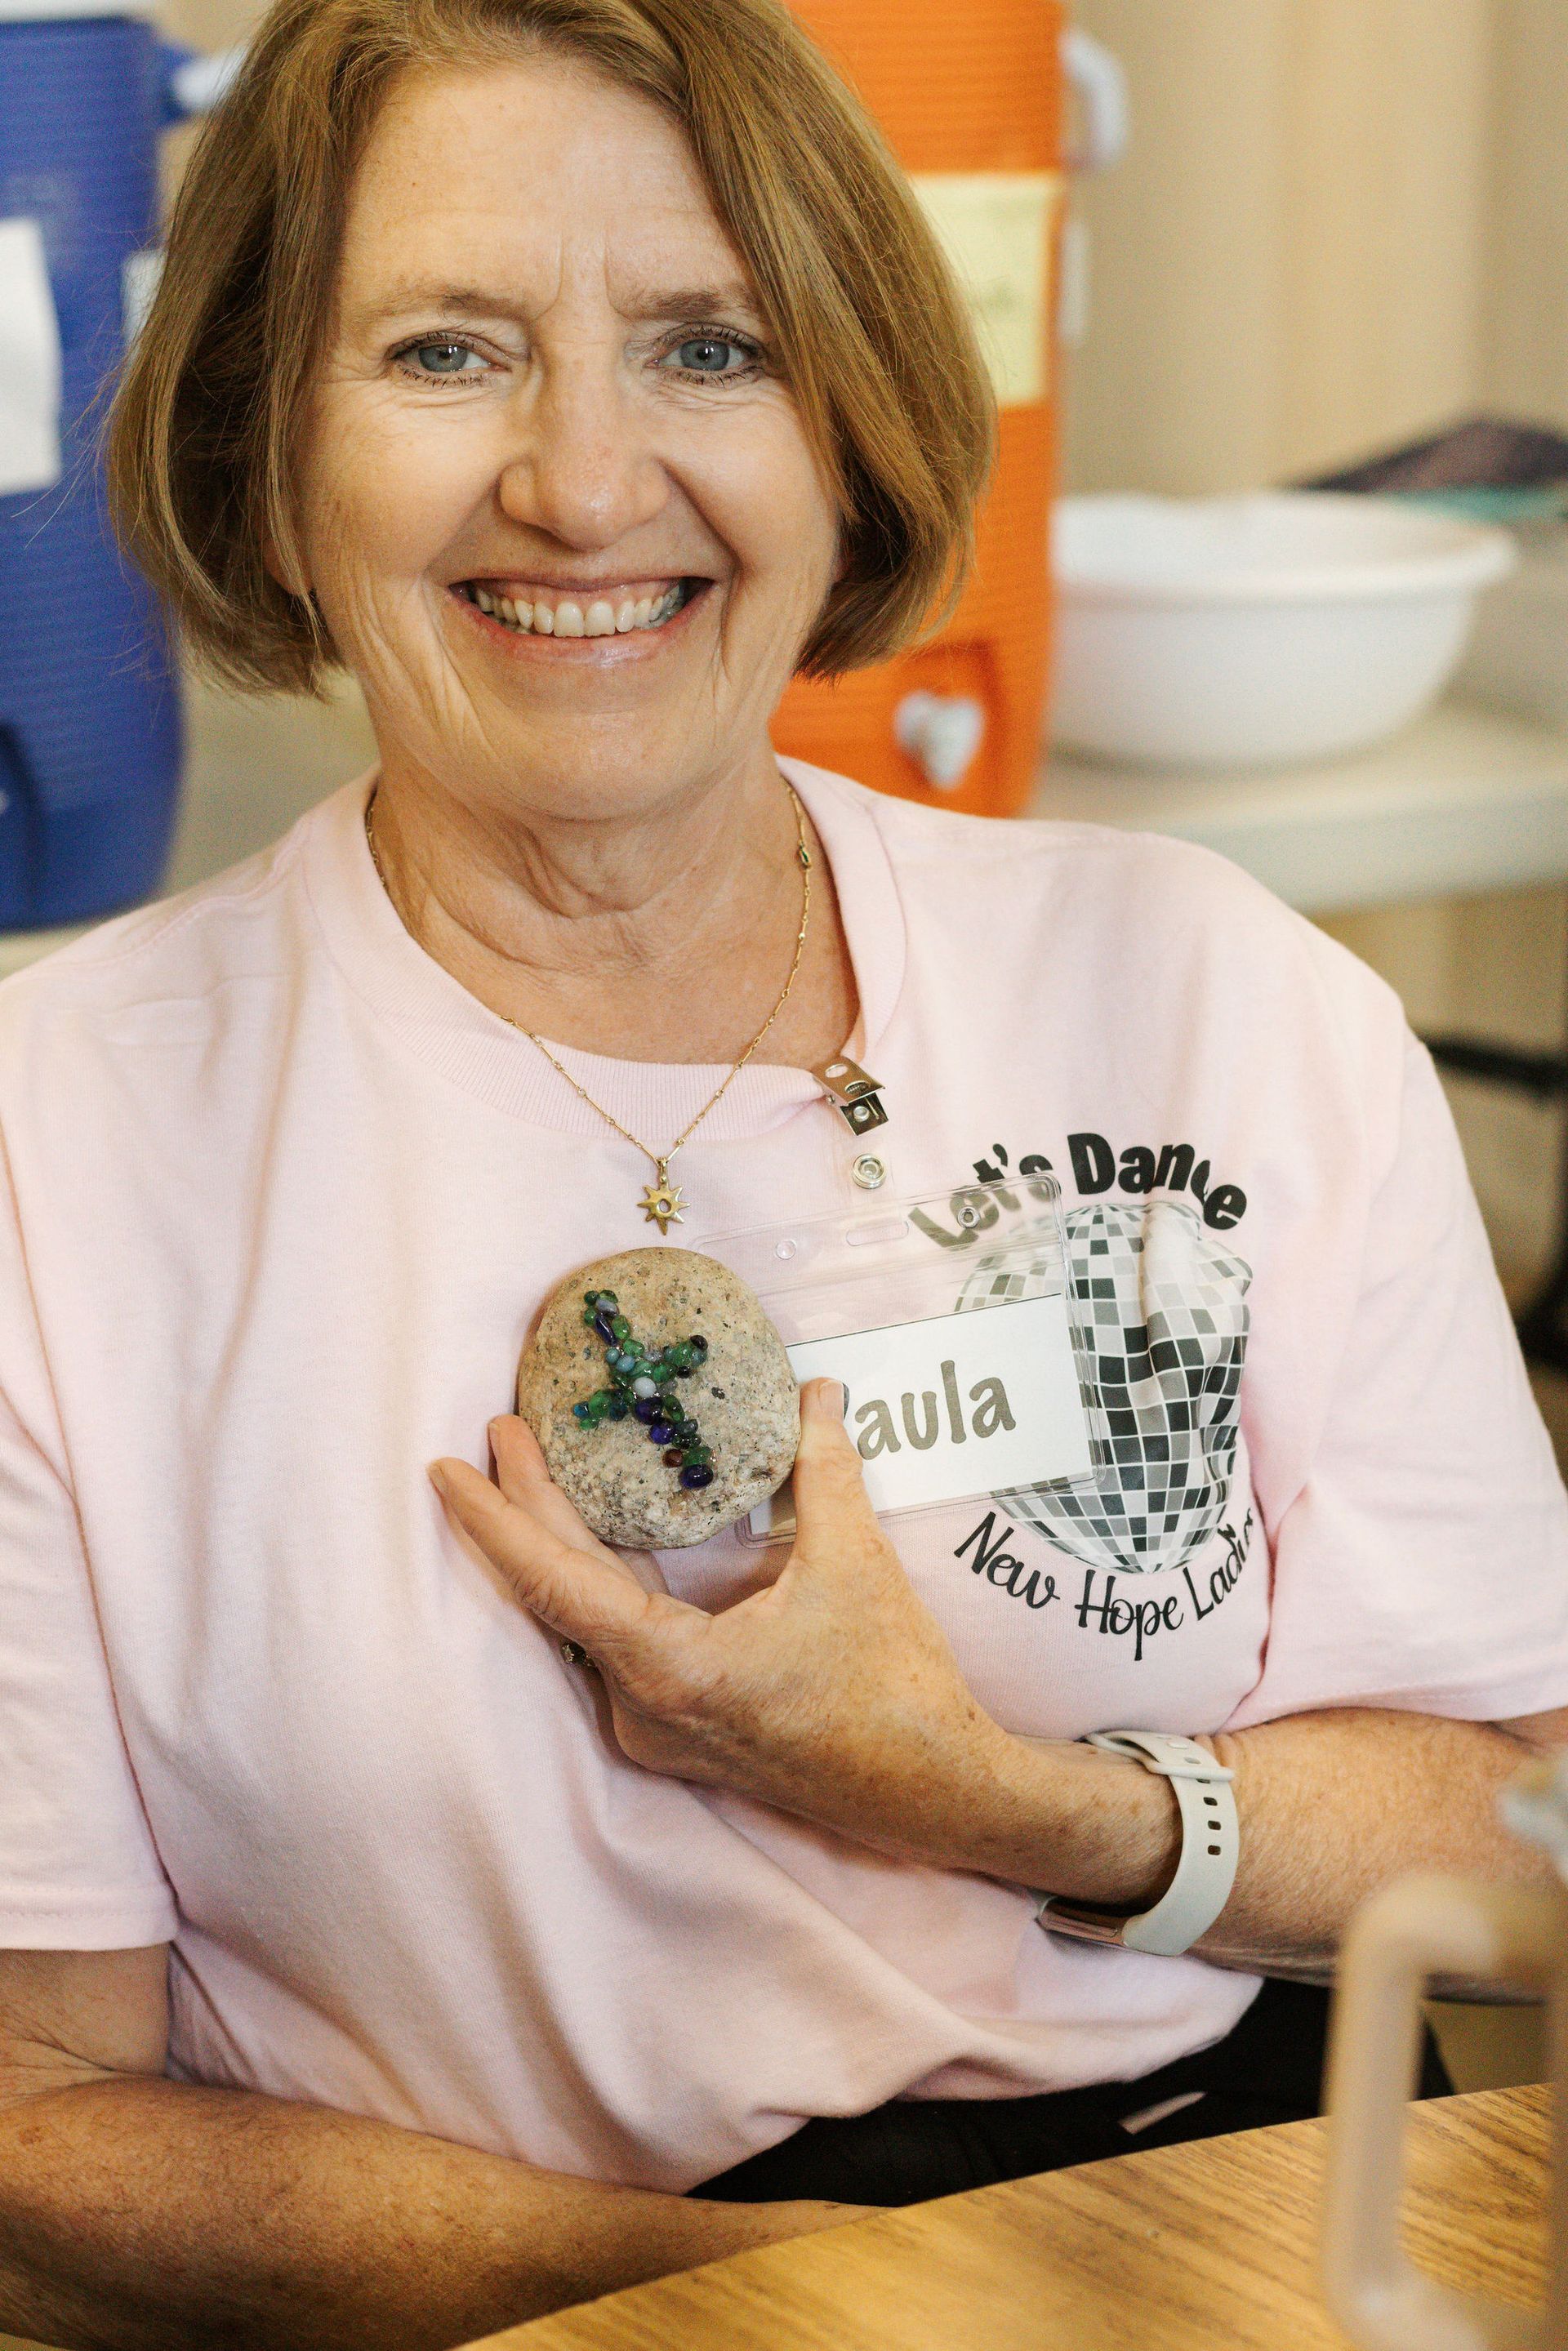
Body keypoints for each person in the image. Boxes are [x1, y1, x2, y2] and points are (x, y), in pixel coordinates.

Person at [0, 0, 1565, 2341]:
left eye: (708, 346)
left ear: (848, 435)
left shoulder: (1225, 1003)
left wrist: (1002, 1793)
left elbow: (1525, 1840)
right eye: (447, 352)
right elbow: (38, 2118)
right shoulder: (57, 1146)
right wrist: (800, 2307)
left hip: (1221, 2233)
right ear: (261, 462)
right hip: (537, 2303)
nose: (586, 480)